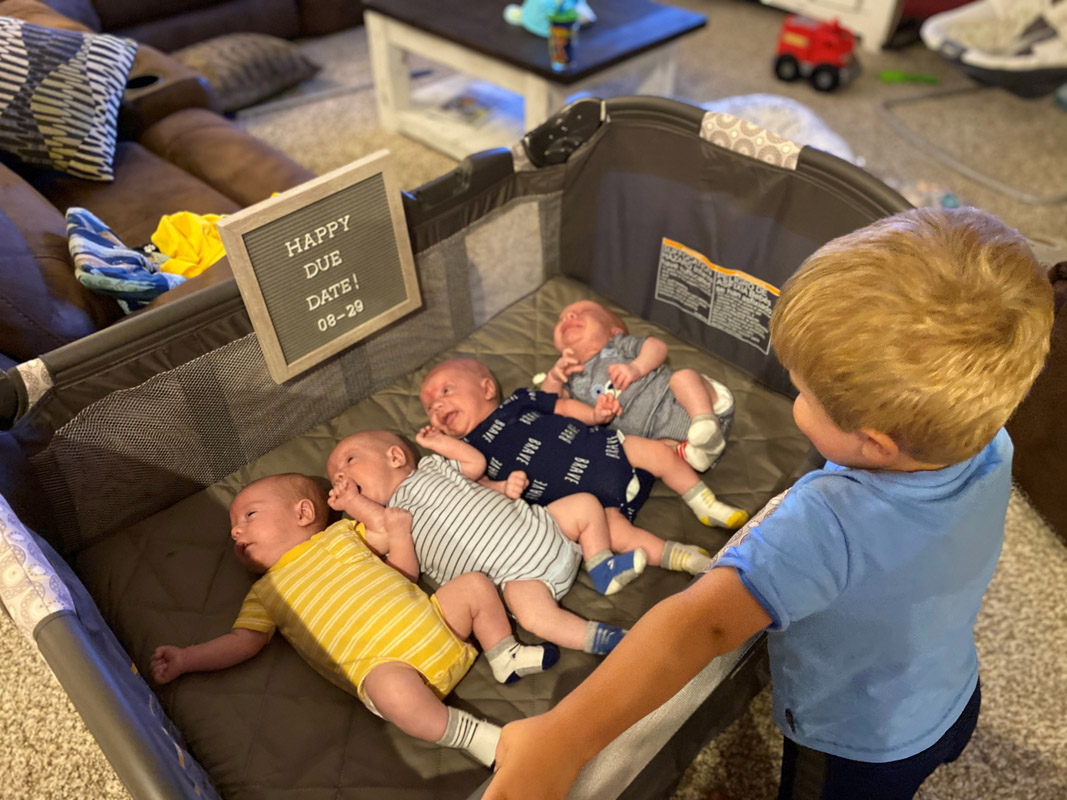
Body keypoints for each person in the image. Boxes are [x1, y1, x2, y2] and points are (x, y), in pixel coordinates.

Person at [482, 207, 1055, 799]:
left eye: (803, 391)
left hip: (856, 745)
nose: (793, 398)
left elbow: (697, 626)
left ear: (875, 443)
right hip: (952, 690)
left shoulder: (824, 523)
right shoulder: (988, 442)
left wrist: (563, 738)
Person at [150, 473, 560, 768]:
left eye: (248, 516)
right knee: (389, 691)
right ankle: (476, 737)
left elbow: (399, 560)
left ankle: (505, 653)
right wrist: (188, 658)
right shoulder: (266, 593)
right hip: (390, 667)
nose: (236, 533)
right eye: (233, 529)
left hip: (438, 622)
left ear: (304, 511)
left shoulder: (344, 534)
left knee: (473, 585)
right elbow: (242, 641)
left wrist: (358, 506)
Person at [327, 428, 644, 656]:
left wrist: (441, 442)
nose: (340, 476)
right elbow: (391, 555)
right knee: (536, 618)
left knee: (586, 504)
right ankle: (599, 639)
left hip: (543, 526)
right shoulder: (387, 523)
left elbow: (474, 464)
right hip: (518, 581)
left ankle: (602, 564)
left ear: (395, 456)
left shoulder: (434, 467)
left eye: (348, 461)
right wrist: (354, 503)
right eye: (335, 479)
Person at [419, 358, 749, 540]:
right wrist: (441, 444)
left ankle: (705, 503)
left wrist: (593, 415)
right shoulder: (464, 450)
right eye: (430, 406)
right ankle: (674, 557)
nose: (438, 404)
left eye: (446, 390)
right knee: (612, 533)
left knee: (656, 453)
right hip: (574, 500)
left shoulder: (519, 401)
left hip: (599, 449)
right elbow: (474, 483)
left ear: (487, 388)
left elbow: (561, 408)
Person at [543, 298, 737, 472]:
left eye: (584, 312)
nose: (568, 316)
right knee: (632, 448)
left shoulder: (617, 345)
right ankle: (699, 451)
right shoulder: (570, 378)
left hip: (687, 403)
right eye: (561, 319)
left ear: (613, 332)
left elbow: (656, 346)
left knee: (683, 378)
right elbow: (548, 404)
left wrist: (636, 367)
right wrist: (554, 378)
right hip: (664, 438)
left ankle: (704, 421)